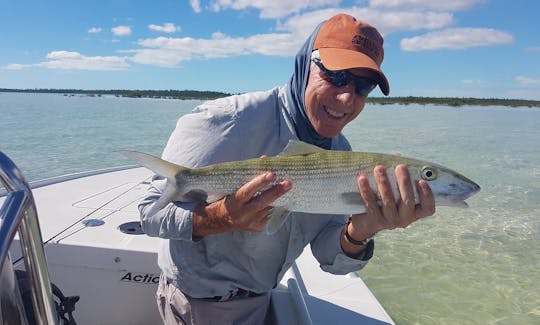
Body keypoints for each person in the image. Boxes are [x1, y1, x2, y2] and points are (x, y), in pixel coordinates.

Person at [139, 13, 435, 325]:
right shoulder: (225, 121)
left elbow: (327, 256)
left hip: (261, 298)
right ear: (306, 63)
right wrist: (221, 218)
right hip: (200, 306)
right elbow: (149, 214)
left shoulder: (341, 152)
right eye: (336, 76)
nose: (347, 97)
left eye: (363, 86)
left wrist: (360, 231)